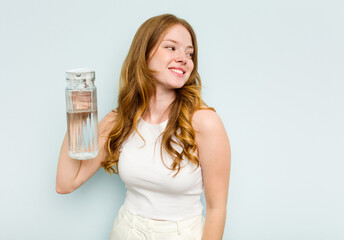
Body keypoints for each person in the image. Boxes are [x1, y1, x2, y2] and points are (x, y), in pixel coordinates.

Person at [56, 13, 231, 240]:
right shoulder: (120, 119)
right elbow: (66, 183)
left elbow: (217, 209)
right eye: (171, 48)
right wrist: (77, 116)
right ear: (144, 54)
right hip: (126, 231)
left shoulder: (204, 122)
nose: (184, 58)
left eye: (190, 53)